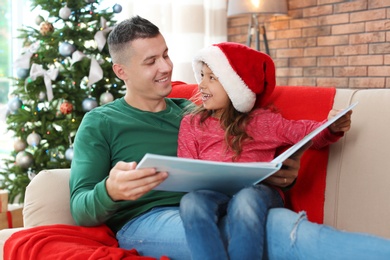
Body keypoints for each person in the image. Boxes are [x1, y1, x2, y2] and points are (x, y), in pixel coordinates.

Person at [69, 15, 390, 260]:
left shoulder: (200, 110)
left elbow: (254, 140)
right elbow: (81, 209)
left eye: (166, 54)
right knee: (271, 230)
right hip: (150, 220)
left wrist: (284, 175)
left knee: (280, 224)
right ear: (121, 71)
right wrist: (110, 190)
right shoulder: (101, 123)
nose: (166, 67)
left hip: (232, 201)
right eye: (151, 61)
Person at [177, 42, 351, 260]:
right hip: (213, 193)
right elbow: (187, 171)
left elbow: (306, 133)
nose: (201, 84)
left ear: (235, 87)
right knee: (191, 202)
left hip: (258, 191)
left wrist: (331, 126)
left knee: (246, 199)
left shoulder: (262, 121)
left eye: (212, 78)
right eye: (202, 75)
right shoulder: (192, 123)